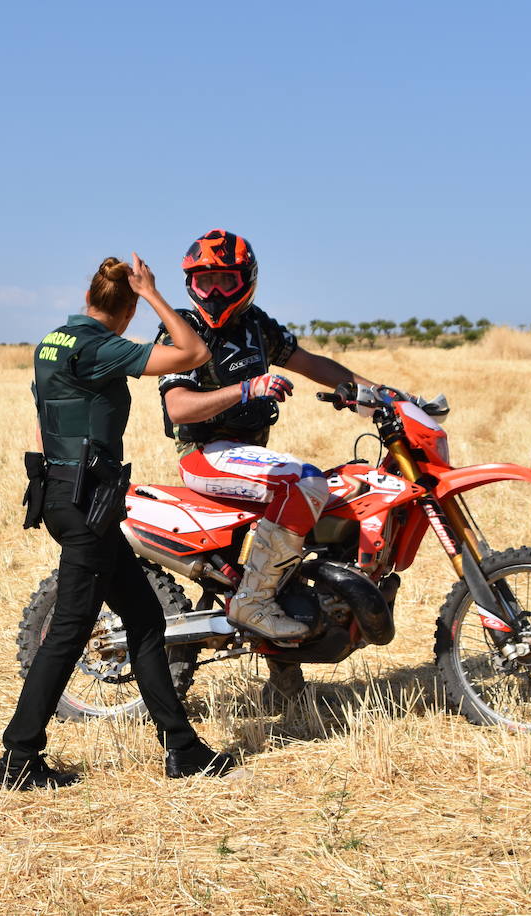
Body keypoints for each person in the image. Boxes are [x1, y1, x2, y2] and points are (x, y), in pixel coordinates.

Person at [0, 254, 238, 790]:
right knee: (68, 631)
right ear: (126, 310)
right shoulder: (100, 347)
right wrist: (153, 293)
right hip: (88, 504)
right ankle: (19, 756)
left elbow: (44, 420)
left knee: (146, 619)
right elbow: (192, 351)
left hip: (66, 494)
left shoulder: (53, 342)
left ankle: (182, 748)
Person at [155, 230, 375, 697]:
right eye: (205, 280)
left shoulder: (257, 325)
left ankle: (287, 657)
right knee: (306, 485)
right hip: (205, 455)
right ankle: (253, 603)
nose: (213, 292)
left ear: (247, 280)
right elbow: (177, 407)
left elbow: (312, 363)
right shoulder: (182, 327)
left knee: (338, 498)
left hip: (245, 455)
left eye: (224, 280)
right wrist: (245, 390)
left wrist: (381, 397)